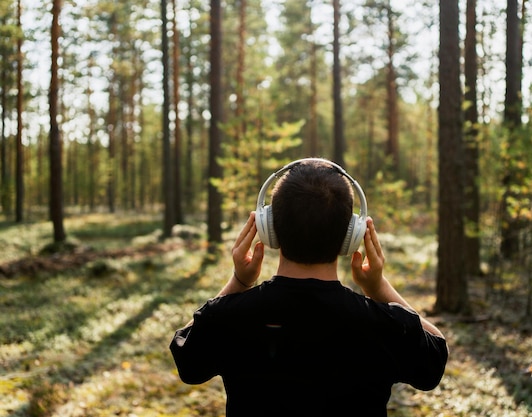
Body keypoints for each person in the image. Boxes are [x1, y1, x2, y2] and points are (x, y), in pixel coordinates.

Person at [170, 158, 448, 417]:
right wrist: (378, 287)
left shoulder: (229, 317)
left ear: (270, 229)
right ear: (350, 235)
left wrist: (239, 282)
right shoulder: (384, 324)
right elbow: (435, 357)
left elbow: (188, 361)